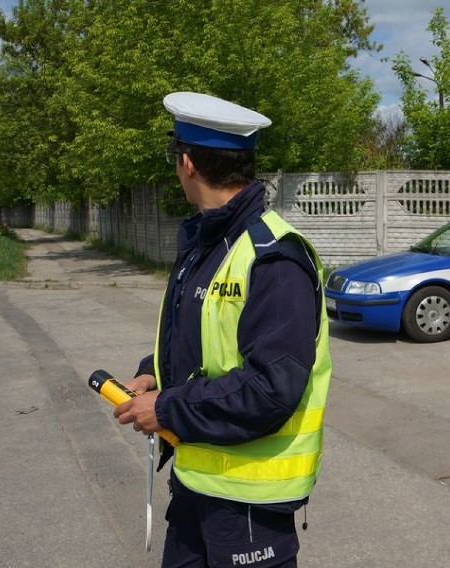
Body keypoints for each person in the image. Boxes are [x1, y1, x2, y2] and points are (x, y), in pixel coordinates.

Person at [113, 91, 332, 568]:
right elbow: (203, 336)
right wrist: (154, 374)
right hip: (195, 484)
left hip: (250, 503)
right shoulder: (206, 242)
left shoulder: (273, 257)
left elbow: (272, 389)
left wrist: (166, 406)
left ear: (187, 163)